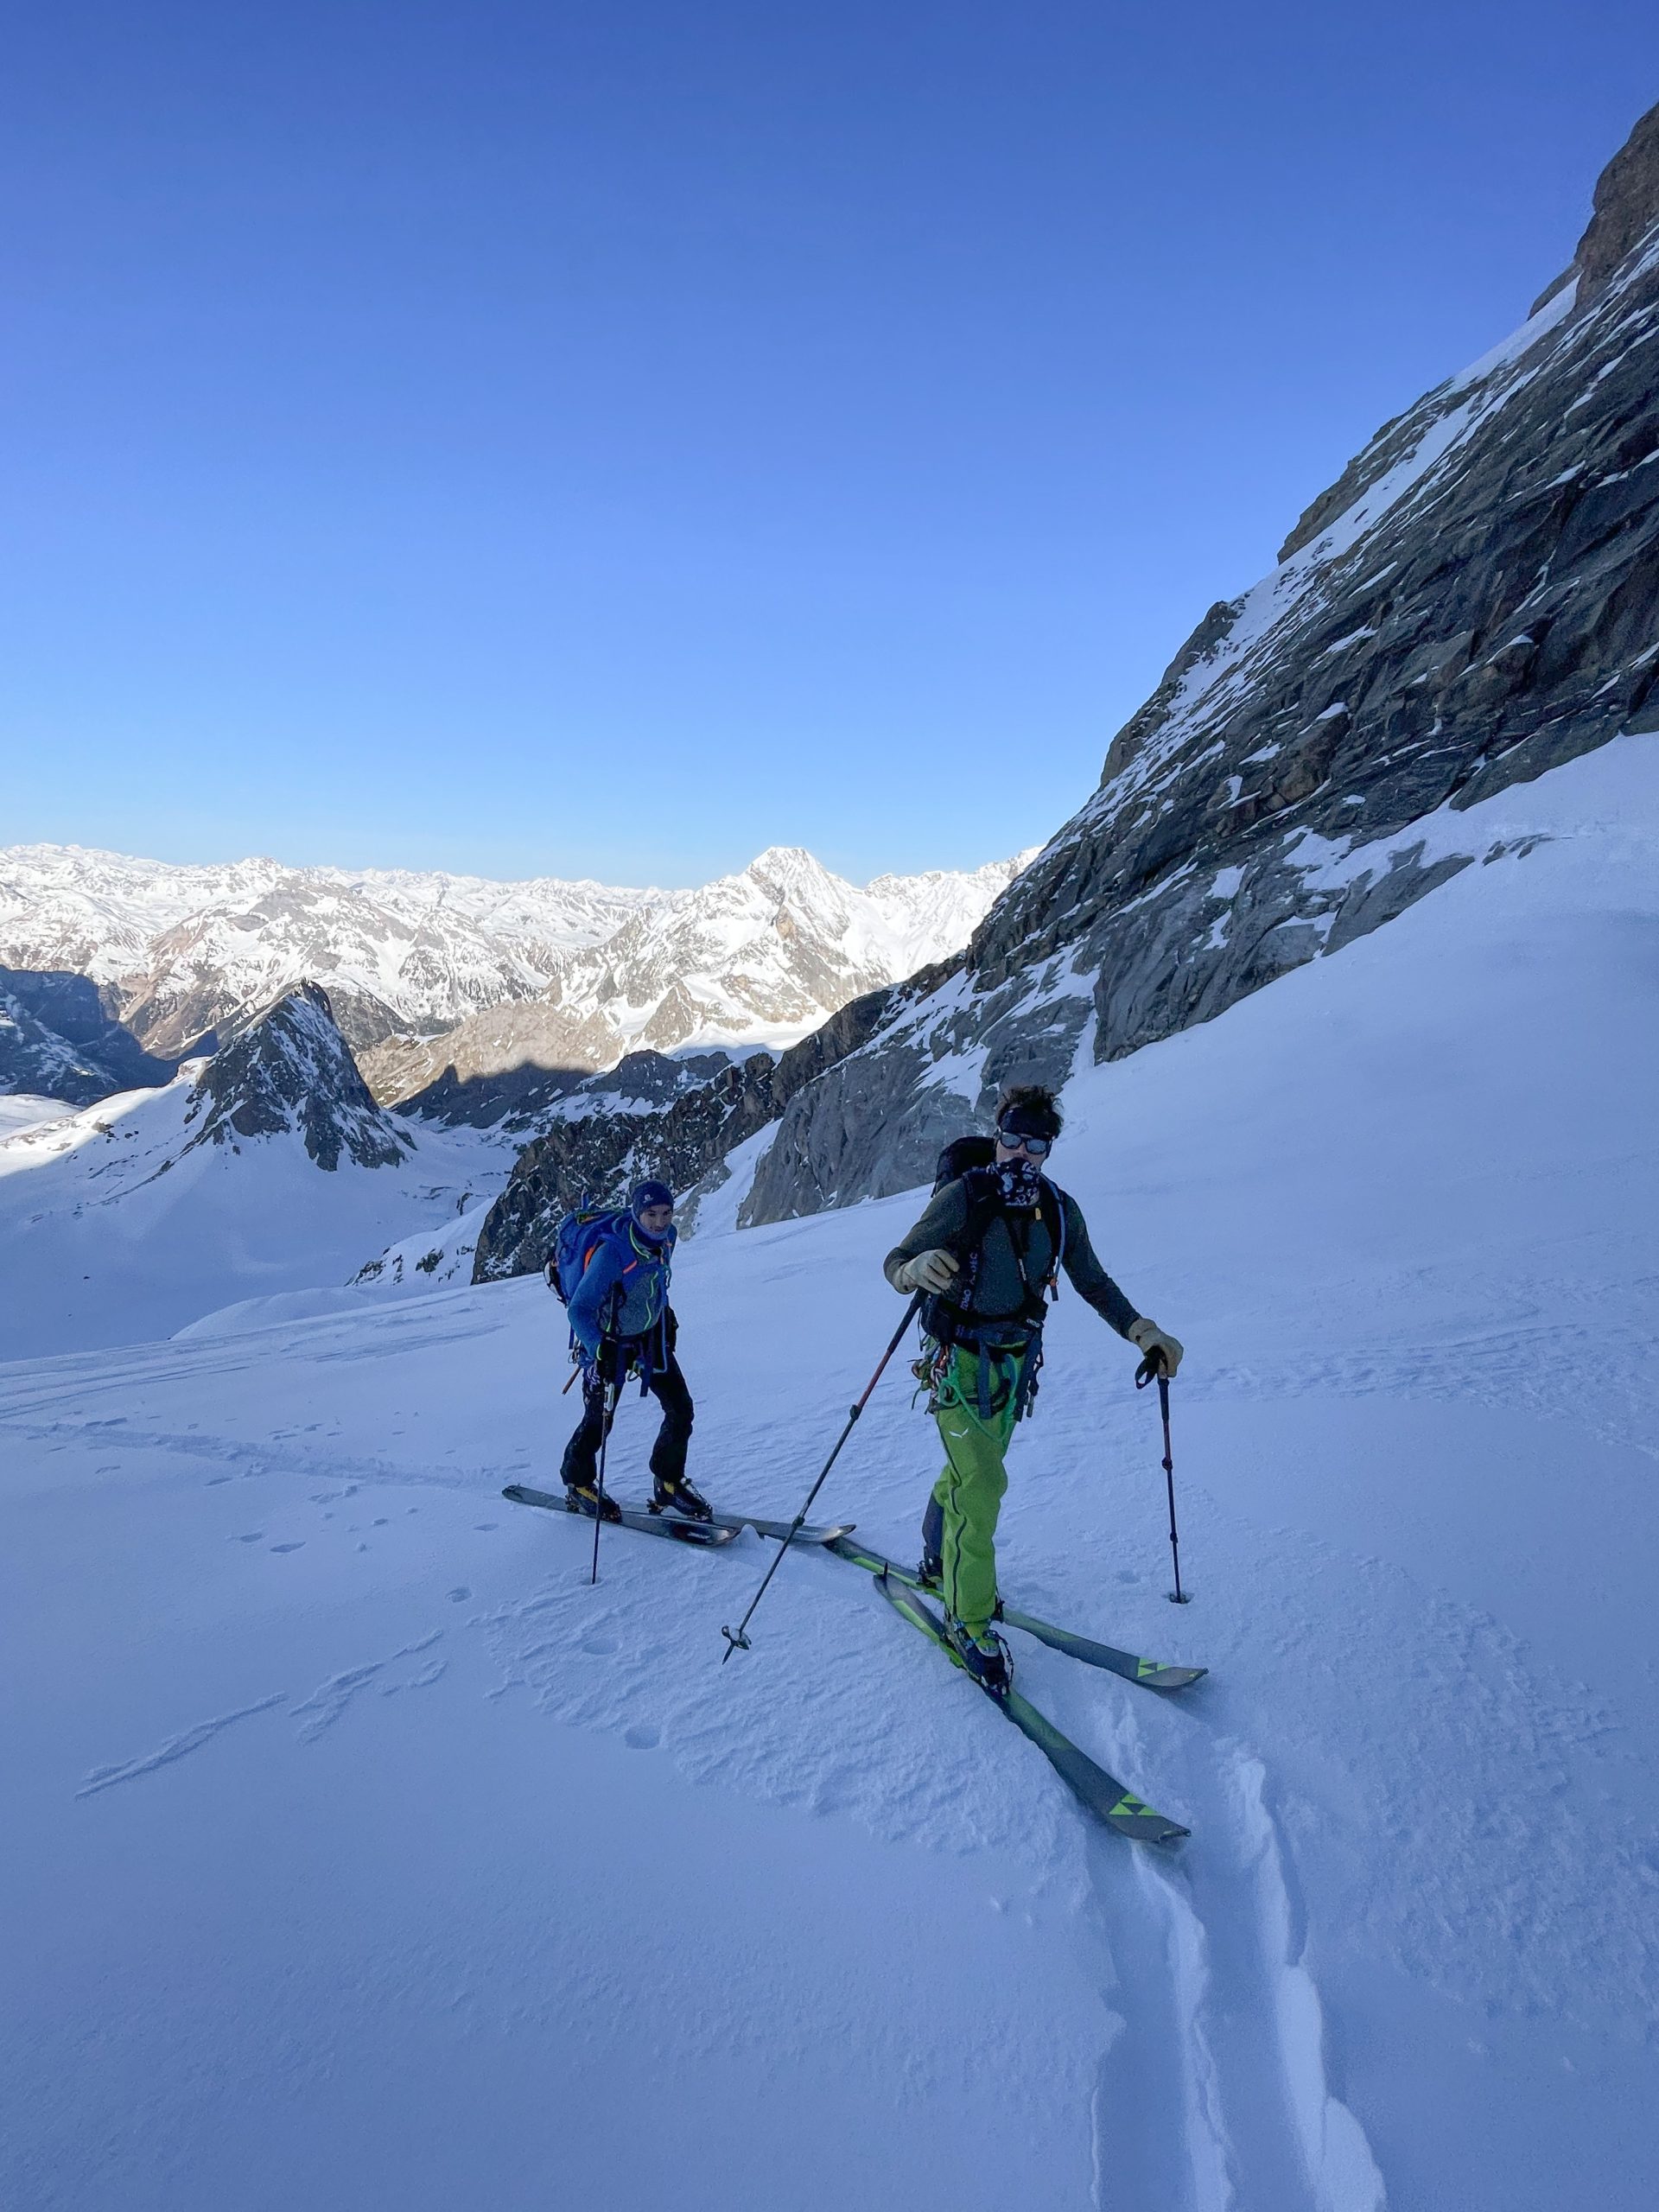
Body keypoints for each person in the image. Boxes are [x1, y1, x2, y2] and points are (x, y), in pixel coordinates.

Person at [883, 1085, 1183, 1694]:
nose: (1021, 1153)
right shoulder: (964, 1196)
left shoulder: (1059, 1210)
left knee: (972, 1475)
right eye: (1012, 1139)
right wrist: (914, 1270)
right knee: (985, 1484)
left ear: (1049, 1149)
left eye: (1035, 1144)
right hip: (957, 1364)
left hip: (1014, 1370)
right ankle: (967, 1620)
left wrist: (1142, 1330)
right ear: (997, 1135)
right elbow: (898, 1260)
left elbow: (1093, 1282)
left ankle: (940, 1555)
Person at [560, 1179, 710, 1522]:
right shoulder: (612, 1253)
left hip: (649, 1338)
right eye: (651, 1214)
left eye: (667, 1213)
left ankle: (668, 1481)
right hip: (609, 1344)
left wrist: (663, 1314)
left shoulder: (668, 1238)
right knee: (599, 1420)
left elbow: (655, 1279)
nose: (660, 1222)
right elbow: (579, 1309)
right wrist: (600, 1350)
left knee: (680, 1408)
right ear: (636, 1213)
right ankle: (577, 1482)